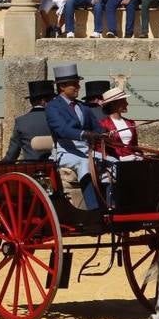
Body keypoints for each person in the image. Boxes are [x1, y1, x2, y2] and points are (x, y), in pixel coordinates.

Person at [45, 64, 101, 211]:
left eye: (78, 83)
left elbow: (97, 127)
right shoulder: (52, 107)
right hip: (66, 151)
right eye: (74, 84)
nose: (78, 87)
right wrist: (84, 134)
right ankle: (93, 209)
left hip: (86, 149)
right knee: (84, 163)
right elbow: (62, 130)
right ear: (62, 86)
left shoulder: (83, 107)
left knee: (113, 162)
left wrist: (106, 133)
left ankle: (110, 204)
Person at [2, 79, 55, 162]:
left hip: (30, 168)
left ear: (31, 101)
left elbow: (12, 154)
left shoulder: (21, 122)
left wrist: (0, 165)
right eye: (52, 99)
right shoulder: (58, 119)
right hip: (55, 167)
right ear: (43, 101)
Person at [96, 87, 142, 161]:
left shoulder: (130, 123)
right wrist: (119, 159)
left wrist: (138, 154)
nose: (127, 104)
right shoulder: (103, 124)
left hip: (134, 161)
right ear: (115, 104)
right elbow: (99, 148)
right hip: (114, 163)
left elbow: (135, 145)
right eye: (124, 101)